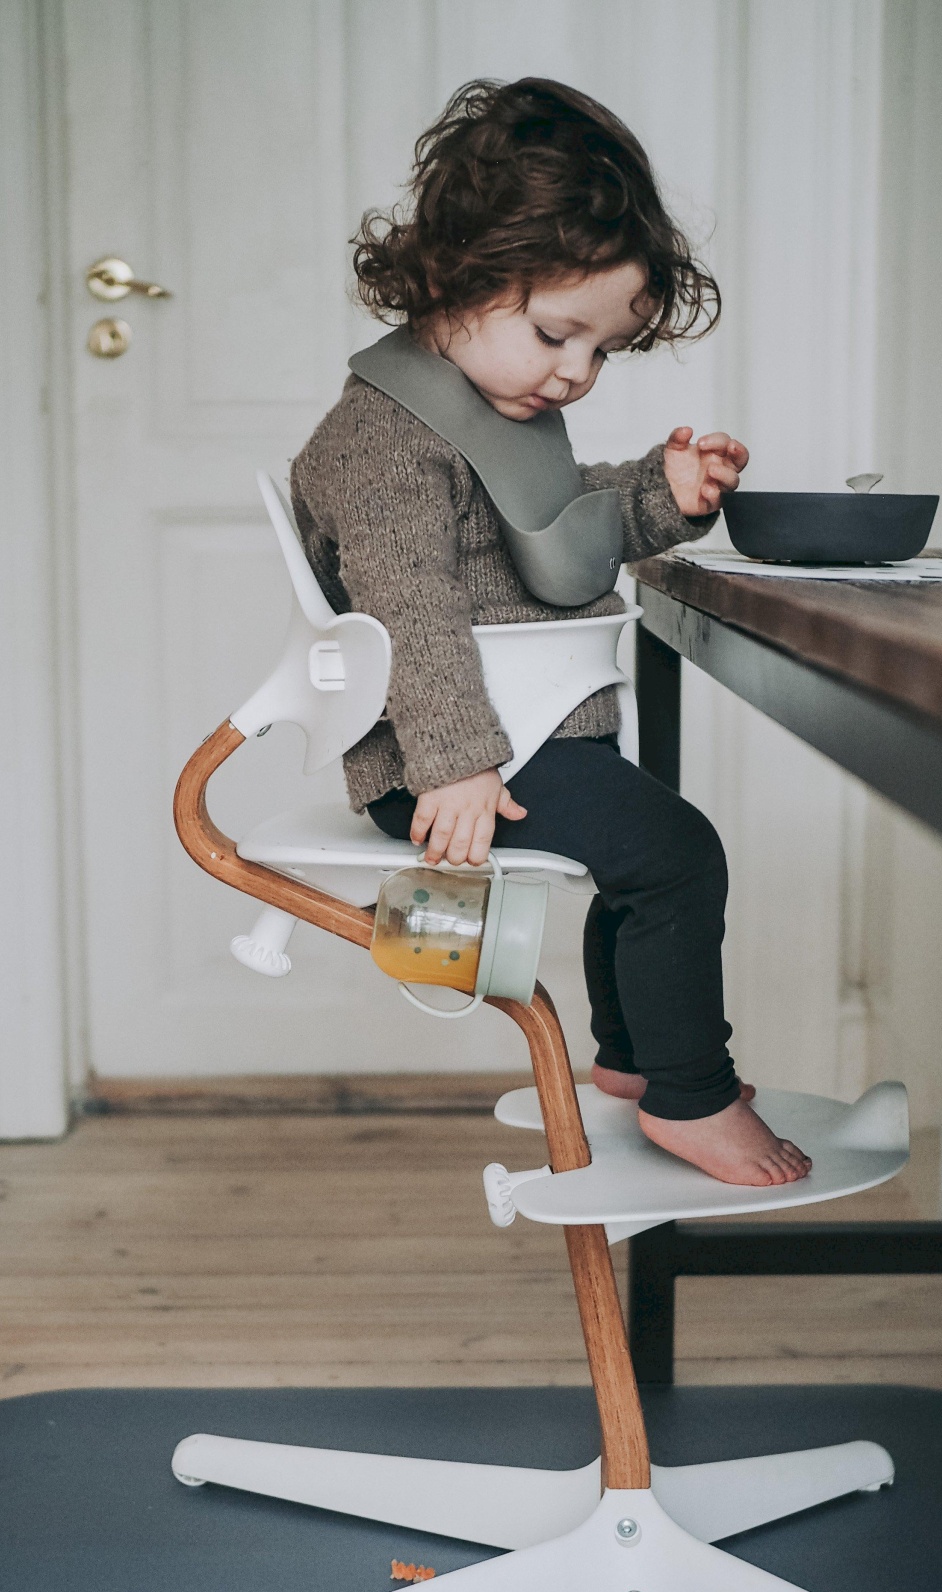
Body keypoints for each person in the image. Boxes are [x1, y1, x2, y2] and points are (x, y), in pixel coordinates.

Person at [290, 77, 809, 1189]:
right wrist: (457, 767)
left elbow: (555, 533)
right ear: (453, 275)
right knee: (676, 858)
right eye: (555, 333)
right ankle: (690, 1092)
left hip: (519, 738)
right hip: (455, 759)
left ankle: (632, 1065)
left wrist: (666, 493)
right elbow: (407, 610)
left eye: (602, 350)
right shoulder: (382, 440)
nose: (577, 371)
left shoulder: (492, 406)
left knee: (640, 864)